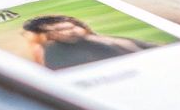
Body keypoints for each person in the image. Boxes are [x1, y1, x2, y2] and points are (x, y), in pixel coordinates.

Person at [20, 14, 150, 70]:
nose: (70, 32)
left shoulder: (103, 40)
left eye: (71, 27)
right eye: (60, 30)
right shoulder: (53, 51)